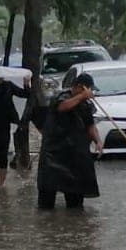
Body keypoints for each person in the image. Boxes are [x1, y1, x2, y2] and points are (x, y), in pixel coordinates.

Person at [37, 72, 103, 209]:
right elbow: (63, 107)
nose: (91, 93)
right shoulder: (60, 97)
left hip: (75, 156)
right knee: (46, 201)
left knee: (75, 203)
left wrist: (98, 141)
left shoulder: (85, 105)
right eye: (90, 89)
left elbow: (90, 125)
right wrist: (82, 96)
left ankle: (74, 220)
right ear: (80, 87)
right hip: (54, 154)